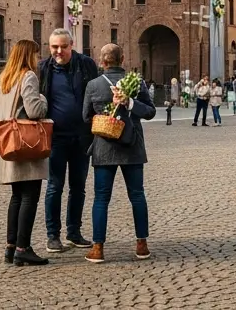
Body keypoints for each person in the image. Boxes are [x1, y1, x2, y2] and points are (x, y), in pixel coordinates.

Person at [81, 44, 155, 263]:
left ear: (102, 62)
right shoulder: (137, 83)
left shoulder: (93, 85)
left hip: (104, 147)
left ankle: (97, 248)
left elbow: (86, 116)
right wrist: (131, 104)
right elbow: (150, 112)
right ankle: (141, 245)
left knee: (101, 198)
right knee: (137, 195)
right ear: (123, 59)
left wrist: (105, 114)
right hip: (132, 145)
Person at [38, 28, 99, 253]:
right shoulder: (44, 68)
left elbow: (96, 93)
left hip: (82, 136)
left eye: (63, 46)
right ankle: (52, 236)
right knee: (54, 186)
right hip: (55, 138)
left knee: (78, 187)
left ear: (71, 45)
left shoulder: (86, 64)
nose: (59, 51)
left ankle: (74, 232)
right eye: (54, 47)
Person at [0, 40, 50, 267]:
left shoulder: (4, 79)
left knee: (17, 197)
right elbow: (34, 110)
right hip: (26, 143)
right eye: (36, 55)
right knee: (30, 196)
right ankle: (23, 248)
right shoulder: (28, 76)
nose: (38, 59)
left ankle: (11, 247)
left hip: (9, 142)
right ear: (29, 55)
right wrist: (44, 99)